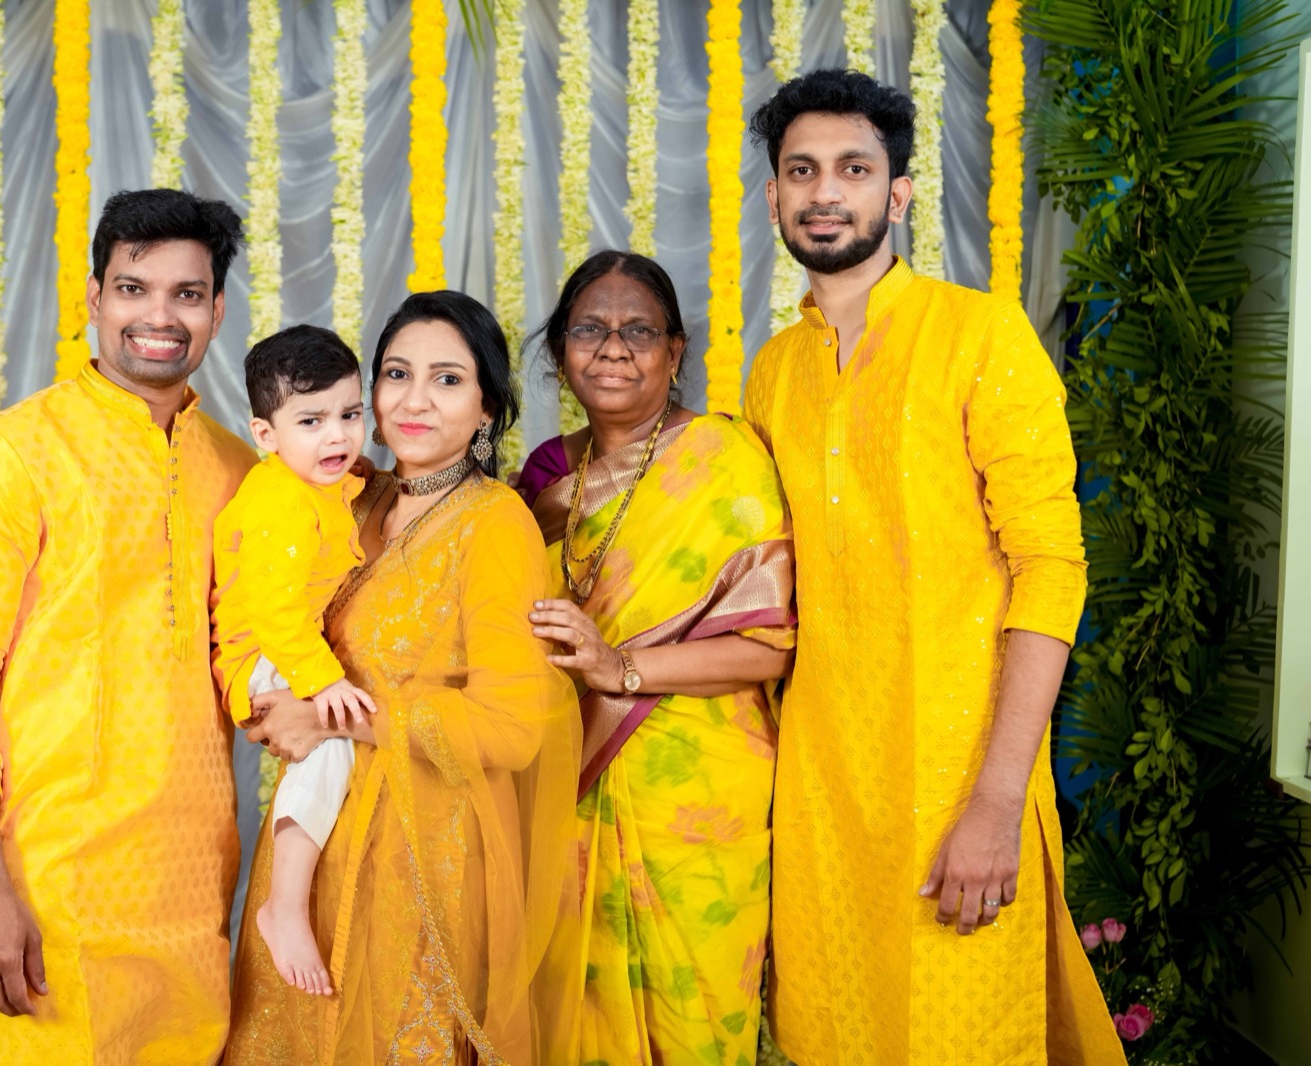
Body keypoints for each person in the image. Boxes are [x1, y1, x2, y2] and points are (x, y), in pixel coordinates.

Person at [742, 69, 1124, 1063]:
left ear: (897, 194)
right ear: (774, 194)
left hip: (956, 780)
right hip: (822, 790)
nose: (825, 192)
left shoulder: (977, 335)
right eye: (801, 171)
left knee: (963, 1032)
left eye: (853, 169)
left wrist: (995, 806)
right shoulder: (775, 370)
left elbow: (1051, 567)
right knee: (830, 1032)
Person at [0, 188, 254, 1062]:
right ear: (94, 299)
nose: (159, 316)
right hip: (49, 891)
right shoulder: (10, 452)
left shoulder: (241, 468)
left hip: (193, 894)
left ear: (217, 310)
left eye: (187, 294)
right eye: (134, 288)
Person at [226, 291, 580, 1064]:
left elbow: (514, 730)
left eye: (448, 379)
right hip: (312, 854)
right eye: (396, 373)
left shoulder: (494, 526)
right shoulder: (348, 498)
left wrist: (334, 719)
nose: (414, 399)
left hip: (423, 869)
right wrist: (271, 706)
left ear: (487, 408)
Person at [518, 250, 797, 1066]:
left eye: (638, 330)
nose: (613, 347)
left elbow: (767, 648)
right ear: (560, 351)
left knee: (695, 1017)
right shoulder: (545, 477)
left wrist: (620, 670)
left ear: (676, 352)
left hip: (699, 800)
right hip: (567, 788)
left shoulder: (724, 459)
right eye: (590, 329)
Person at [211, 324, 374, 998]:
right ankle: (283, 903)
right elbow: (276, 609)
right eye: (311, 421)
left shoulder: (315, 483)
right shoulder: (279, 500)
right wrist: (321, 683)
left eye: (349, 414)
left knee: (339, 746)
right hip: (264, 656)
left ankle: (290, 895)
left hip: (289, 650)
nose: (336, 436)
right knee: (332, 746)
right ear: (266, 435)